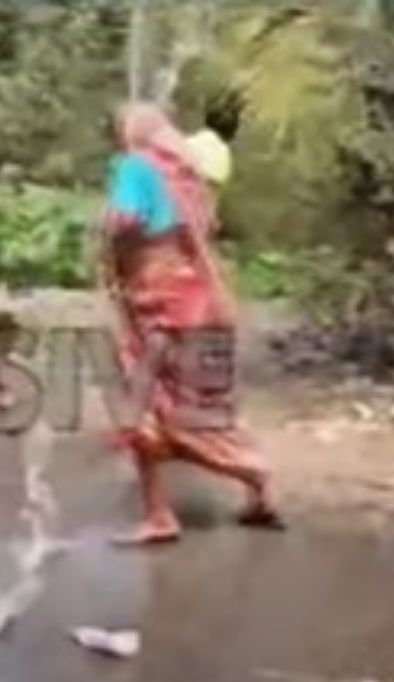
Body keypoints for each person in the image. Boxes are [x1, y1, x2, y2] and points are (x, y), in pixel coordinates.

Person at [101, 102, 282, 545]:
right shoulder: (187, 175)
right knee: (188, 407)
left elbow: (126, 220)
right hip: (197, 300)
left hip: (159, 304)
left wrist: (105, 235)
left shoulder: (136, 168)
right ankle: (243, 490)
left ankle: (250, 472)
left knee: (149, 407)